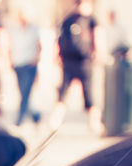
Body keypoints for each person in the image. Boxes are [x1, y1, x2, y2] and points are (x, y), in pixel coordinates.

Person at [51, 0, 101, 133]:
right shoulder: (67, 20)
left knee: (89, 94)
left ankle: (95, 124)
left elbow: (97, 36)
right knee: (63, 91)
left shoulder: (91, 20)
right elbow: (59, 39)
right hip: (69, 61)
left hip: (84, 61)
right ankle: (54, 123)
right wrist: (56, 55)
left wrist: (98, 53)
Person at [8, 7, 41, 126]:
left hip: (30, 64)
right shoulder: (14, 30)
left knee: (26, 92)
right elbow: (10, 46)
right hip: (18, 64)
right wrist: (10, 60)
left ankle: (20, 119)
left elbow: (39, 45)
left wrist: (36, 59)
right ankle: (35, 115)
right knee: (23, 93)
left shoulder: (34, 29)